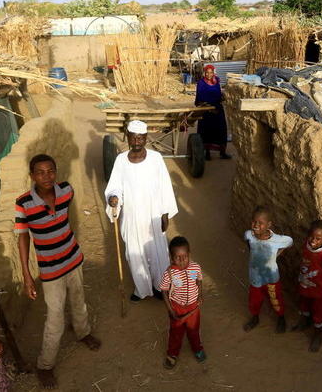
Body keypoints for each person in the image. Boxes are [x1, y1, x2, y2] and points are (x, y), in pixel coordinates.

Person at [15, 154, 101, 389]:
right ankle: (45, 365)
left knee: (78, 300)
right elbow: (22, 238)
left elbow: (63, 219)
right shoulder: (23, 203)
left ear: (56, 172)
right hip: (51, 270)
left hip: (73, 259)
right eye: (40, 172)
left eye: (50, 171)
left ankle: (83, 332)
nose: (46, 176)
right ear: (32, 175)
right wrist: (26, 276)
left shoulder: (66, 190)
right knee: (55, 318)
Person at [105, 120, 178, 303]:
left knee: (158, 252)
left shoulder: (155, 158)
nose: (137, 141)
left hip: (153, 214)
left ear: (145, 138)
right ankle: (142, 289)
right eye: (133, 137)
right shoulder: (121, 160)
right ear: (128, 137)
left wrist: (165, 213)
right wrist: (113, 197)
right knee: (134, 253)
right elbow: (114, 186)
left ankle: (160, 286)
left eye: (141, 137)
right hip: (131, 216)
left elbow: (165, 186)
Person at [243, 206, 293, 333]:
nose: (256, 225)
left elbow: (290, 242)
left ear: (269, 225)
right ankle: (255, 317)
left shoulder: (277, 240)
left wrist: (275, 255)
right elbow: (249, 243)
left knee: (276, 299)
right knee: (254, 300)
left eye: (260, 223)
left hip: (271, 278)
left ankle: (281, 317)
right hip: (255, 278)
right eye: (254, 222)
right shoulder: (249, 235)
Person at [159, 236, 206, 369]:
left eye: (184, 256)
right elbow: (164, 291)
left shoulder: (195, 268)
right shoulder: (169, 273)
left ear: (189, 254)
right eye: (177, 257)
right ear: (171, 257)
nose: (181, 260)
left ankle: (197, 348)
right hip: (177, 308)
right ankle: (172, 353)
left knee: (194, 330)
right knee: (176, 332)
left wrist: (200, 294)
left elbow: (199, 280)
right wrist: (170, 309)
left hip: (193, 307)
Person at [292, 220, 322, 352]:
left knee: (319, 311)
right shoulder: (306, 245)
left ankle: (318, 334)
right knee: (304, 303)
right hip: (305, 284)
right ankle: (304, 322)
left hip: (318, 289)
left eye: (318, 238)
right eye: (311, 236)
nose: (313, 240)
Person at [195, 64, 231, 160]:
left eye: (211, 72)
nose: (209, 74)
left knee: (221, 130)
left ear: (213, 73)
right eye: (207, 72)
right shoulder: (201, 83)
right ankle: (207, 153)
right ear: (204, 73)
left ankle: (222, 152)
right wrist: (208, 107)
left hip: (218, 110)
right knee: (206, 131)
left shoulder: (216, 82)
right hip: (206, 111)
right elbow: (200, 96)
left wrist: (222, 98)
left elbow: (218, 95)